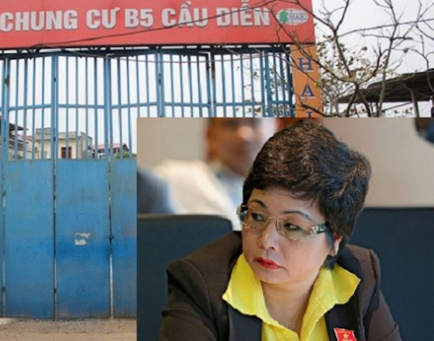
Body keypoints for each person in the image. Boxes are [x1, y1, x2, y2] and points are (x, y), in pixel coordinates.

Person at [160, 120, 401, 340]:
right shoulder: (201, 283)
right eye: (257, 216)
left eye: (292, 227)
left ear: (334, 239)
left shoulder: (358, 276)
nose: (266, 241)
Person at [153, 118, 278, 227]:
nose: (244, 135)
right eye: (230, 124)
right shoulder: (172, 180)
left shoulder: (288, 190)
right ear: (210, 135)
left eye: (255, 122)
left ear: (277, 130)